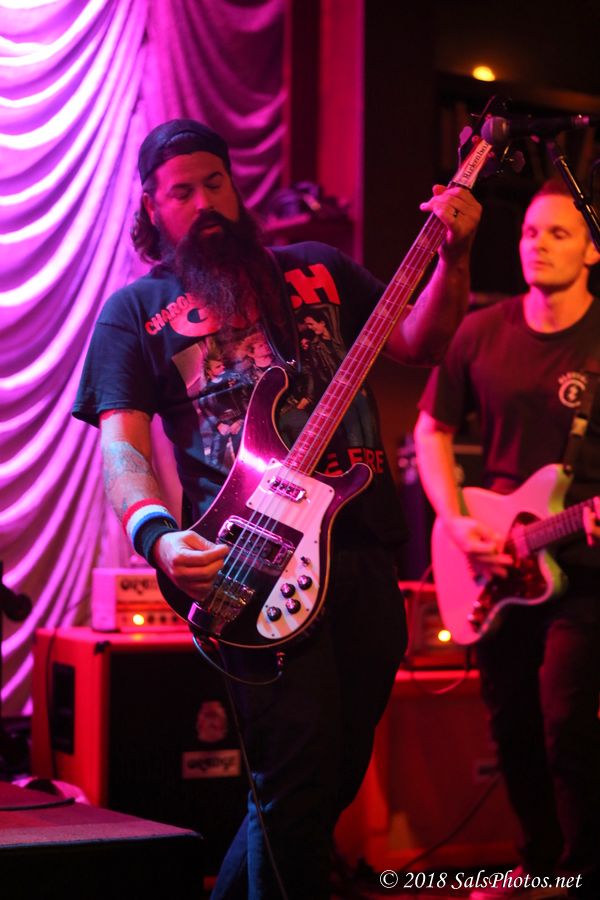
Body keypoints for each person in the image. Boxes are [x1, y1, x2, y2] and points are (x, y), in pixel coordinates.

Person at [73, 118, 481, 899]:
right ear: (152, 208)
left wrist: (456, 256)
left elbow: (421, 343)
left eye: (215, 182)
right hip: (249, 563)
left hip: (362, 548)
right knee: (293, 778)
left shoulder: (319, 267)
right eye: (182, 192)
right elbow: (123, 449)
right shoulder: (135, 311)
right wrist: (157, 538)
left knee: (325, 781)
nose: (204, 202)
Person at [414, 178, 600, 900]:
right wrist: (455, 519)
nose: (538, 245)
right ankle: (537, 861)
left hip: (585, 565)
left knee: (567, 721)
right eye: (528, 232)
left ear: (591, 251)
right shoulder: (479, 331)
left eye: (558, 233)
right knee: (511, 720)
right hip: (496, 561)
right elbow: (432, 429)